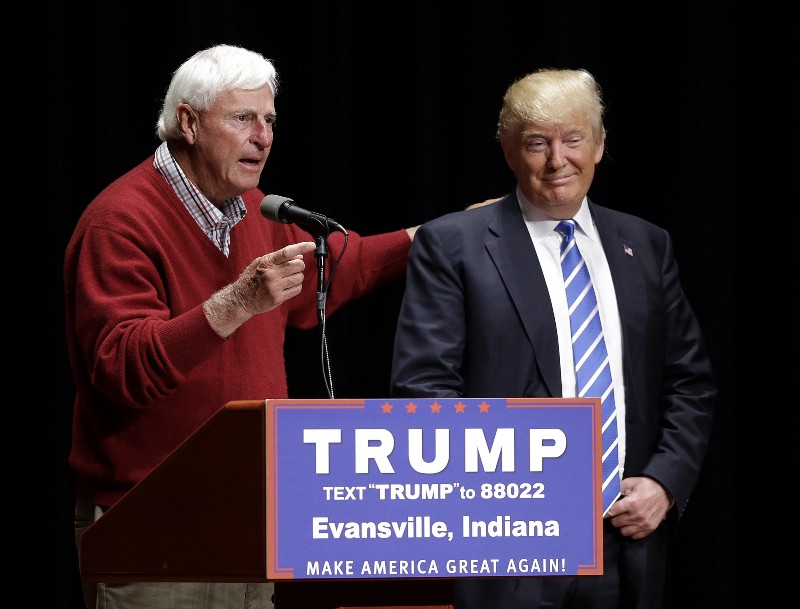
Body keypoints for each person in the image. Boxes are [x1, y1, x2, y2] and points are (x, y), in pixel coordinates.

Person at [64, 44, 422, 609]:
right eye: (243, 118)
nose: (263, 137)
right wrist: (236, 303)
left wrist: (435, 238)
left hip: (250, 520)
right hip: (155, 529)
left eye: (270, 120)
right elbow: (122, 367)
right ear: (188, 122)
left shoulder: (255, 210)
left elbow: (332, 268)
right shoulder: (120, 221)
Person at [390, 68, 717, 609]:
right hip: (505, 544)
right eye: (537, 143)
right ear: (509, 150)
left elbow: (690, 382)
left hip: (627, 539)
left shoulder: (646, 244)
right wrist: (497, 501)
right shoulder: (453, 245)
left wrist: (664, 483)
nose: (557, 160)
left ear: (601, 144)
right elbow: (424, 392)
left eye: (573, 139)